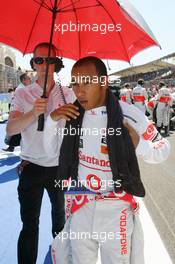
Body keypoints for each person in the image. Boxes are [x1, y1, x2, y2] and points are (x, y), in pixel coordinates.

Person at [43, 56, 170, 264]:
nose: (79, 90)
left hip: (116, 211)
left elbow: (163, 149)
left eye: (86, 82)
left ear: (103, 82)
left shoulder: (128, 114)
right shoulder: (71, 115)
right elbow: (51, 152)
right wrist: (51, 120)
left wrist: (140, 144)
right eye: (75, 83)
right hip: (80, 206)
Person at [6, 42, 75, 264]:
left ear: (58, 64)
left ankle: (61, 257)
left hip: (59, 168)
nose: (44, 65)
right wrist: (33, 113)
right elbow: (10, 129)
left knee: (60, 221)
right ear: (33, 63)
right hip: (31, 168)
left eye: (50, 60)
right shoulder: (22, 93)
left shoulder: (68, 94)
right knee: (29, 225)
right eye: (39, 60)